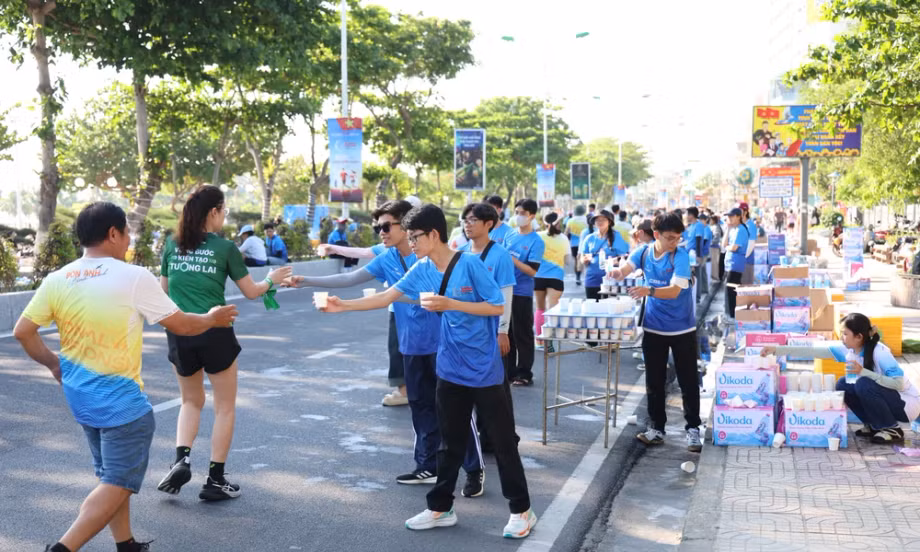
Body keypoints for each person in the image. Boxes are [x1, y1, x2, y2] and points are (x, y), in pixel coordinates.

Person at [14, 202, 238, 552]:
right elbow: (181, 324)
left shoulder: (57, 279)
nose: (129, 240)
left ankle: (126, 544)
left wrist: (55, 365)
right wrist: (212, 318)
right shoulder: (132, 277)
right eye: (127, 233)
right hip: (122, 404)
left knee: (111, 477)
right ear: (113, 233)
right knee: (117, 482)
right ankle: (61, 549)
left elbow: (23, 332)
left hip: (80, 397)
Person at [316, 204, 537, 538]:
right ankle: (440, 507)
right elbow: (387, 296)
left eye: (415, 237)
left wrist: (451, 304)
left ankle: (521, 510)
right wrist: (343, 306)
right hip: (449, 368)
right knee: (449, 444)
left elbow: (496, 306)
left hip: (484, 369)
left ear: (434, 235)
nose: (411, 243)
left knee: (504, 442)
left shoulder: (470, 264)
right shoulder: (421, 268)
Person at [285, 200, 484, 488]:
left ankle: (473, 469)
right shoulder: (386, 256)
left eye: (387, 226)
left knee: (453, 408)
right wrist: (305, 281)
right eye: (378, 227)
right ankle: (427, 465)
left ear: (406, 225)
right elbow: (351, 277)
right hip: (412, 343)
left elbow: (436, 297)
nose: (381, 232)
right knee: (420, 406)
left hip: (445, 342)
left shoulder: (431, 255)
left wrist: (390, 297)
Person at [157, 186, 291, 502]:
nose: (224, 217)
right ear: (213, 212)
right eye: (224, 211)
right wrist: (273, 279)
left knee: (190, 401)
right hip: (216, 329)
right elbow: (251, 291)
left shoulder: (172, 244)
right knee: (225, 406)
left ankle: (181, 460)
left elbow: (163, 291)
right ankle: (215, 479)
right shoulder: (225, 248)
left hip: (180, 330)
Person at [608, 211, 702, 452]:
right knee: (654, 381)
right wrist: (616, 272)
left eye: (678, 238)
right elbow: (625, 269)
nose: (675, 242)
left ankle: (693, 429)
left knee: (688, 380)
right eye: (670, 238)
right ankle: (657, 428)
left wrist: (648, 290)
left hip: (682, 328)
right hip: (654, 327)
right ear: (656, 234)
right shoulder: (643, 252)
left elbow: (674, 291)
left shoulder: (680, 256)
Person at [761, 313, 920, 444]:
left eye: (845, 334)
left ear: (858, 336)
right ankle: (874, 425)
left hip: (906, 405)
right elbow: (812, 351)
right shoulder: (849, 350)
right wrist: (776, 349)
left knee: (863, 383)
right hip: (888, 398)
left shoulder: (880, 353)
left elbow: (898, 384)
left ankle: (891, 428)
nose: (842, 337)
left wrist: (864, 372)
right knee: (844, 383)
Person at [457, 202, 518, 456]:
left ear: (489, 223)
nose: (467, 225)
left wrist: (503, 331)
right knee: (472, 385)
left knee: (497, 387)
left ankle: (504, 438)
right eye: (465, 220)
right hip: (467, 331)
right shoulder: (461, 252)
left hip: (493, 330)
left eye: (473, 220)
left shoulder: (500, 254)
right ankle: (482, 437)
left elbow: (506, 294)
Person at [504, 199, 545, 387]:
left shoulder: (536, 241)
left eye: (522, 213)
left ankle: (524, 372)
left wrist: (512, 260)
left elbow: (532, 271)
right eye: (517, 212)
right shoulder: (510, 235)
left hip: (522, 292)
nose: (519, 216)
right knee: (507, 332)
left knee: (523, 334)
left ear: (531, 216)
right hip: (505, 290)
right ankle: (509, 371)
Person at [534, 212, 570, 347]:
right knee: (551, 310)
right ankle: (549, 343)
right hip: (556, 277)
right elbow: (568, 261)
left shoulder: (538, 236)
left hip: (538, 276)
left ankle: (539, 341)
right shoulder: (563, 238)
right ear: (557, 223)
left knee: (540, 308)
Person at [581, 209, 629, 301]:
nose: (600, 222)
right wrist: (584, 260)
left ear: (609, 222)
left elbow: (624, 257)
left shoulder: (616, 236)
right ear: (594, 222)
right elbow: (583, 257)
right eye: (597, 220)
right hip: (591, 278)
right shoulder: (589, 238)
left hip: (610, 279)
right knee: (592, 306)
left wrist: (612, 261)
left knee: (609, 307)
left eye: (603, 220)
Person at [722, 208, 750, 318]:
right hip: (729, 263)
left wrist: (727, 247)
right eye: (728, 216)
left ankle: (733, 316)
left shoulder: (741, 230)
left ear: (738, 216)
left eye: (732, 216)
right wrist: (728, 229)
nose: (729, 218)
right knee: (729, 290)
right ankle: (731, 315)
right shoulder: (733, 229)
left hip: (735, 264)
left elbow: (734, 247)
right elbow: (724, 244)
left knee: (731, 291)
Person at [565, 205, 588, 286]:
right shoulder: (586, 220)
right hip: (585, 243)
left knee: (576, 260)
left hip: (573, 244)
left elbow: (566, 233)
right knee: (585, 260)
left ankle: (577, 277)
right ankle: (584, 276)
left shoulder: (570, 221)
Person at [738, 202, 756, 284]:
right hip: (739, 262)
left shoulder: (750, 225)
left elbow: (751, 244)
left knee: (746, 285)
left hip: (747, 262)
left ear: (745, 212)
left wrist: (743, 257)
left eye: (740, 210)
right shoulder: (740, 225)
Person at [709, 215, 724, 282]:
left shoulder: (716, 227)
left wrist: (710, 243)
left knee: (715, 263)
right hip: (713, 247)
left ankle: (715, 277)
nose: (709, 221)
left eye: (710, 220)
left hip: (714, 247)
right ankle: (714, 277)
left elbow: (716, 237)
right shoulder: (714, 226)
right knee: (714, 262)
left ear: (713, 220)